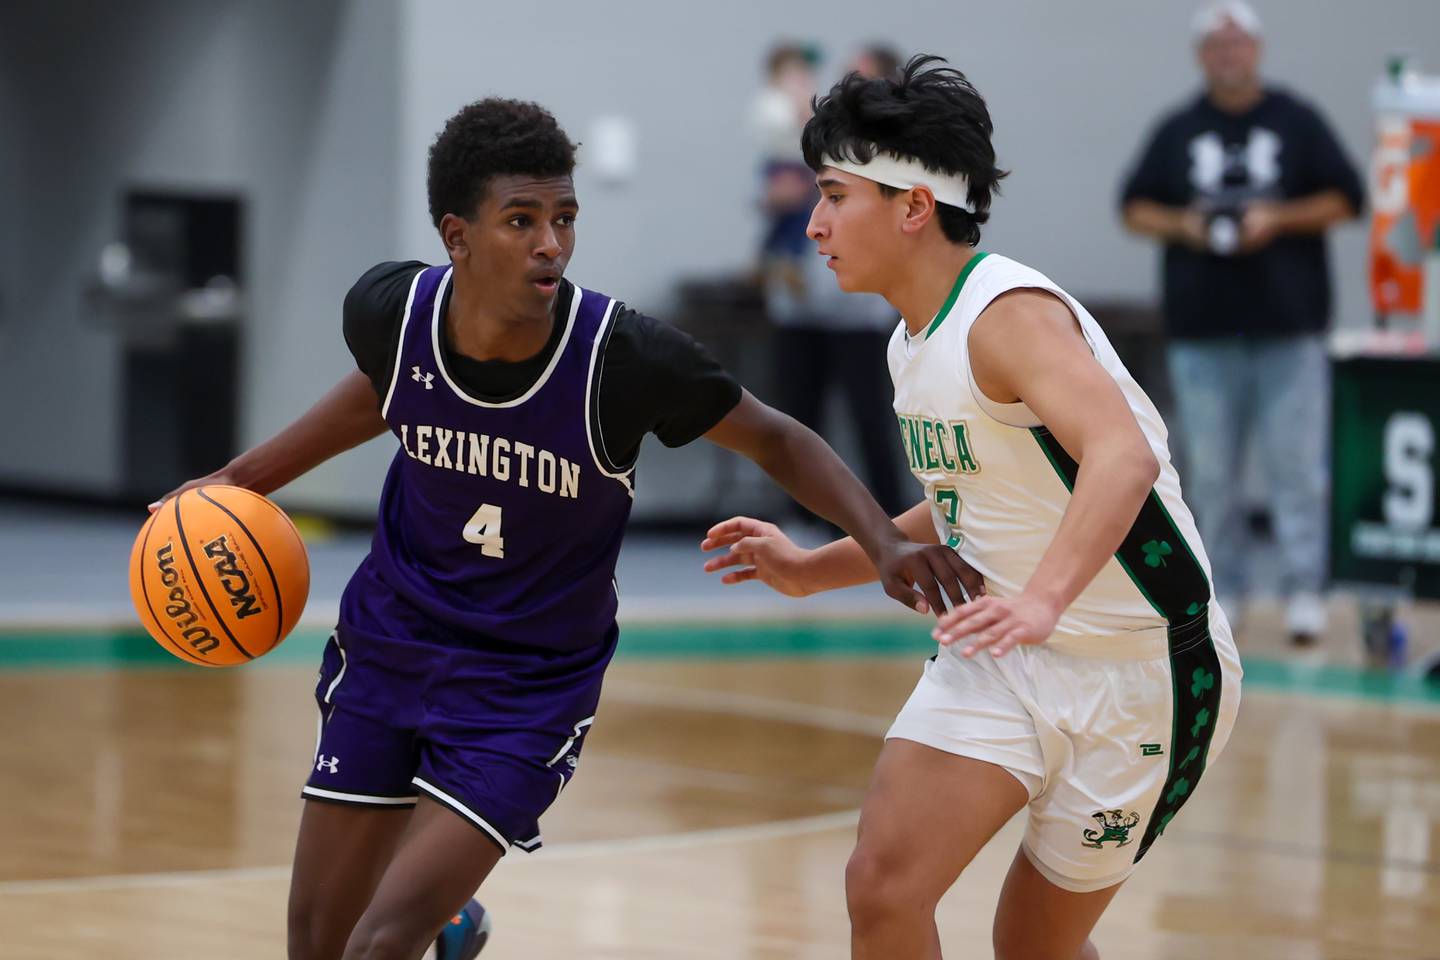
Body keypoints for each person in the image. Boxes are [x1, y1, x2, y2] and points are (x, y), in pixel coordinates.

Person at [153, 98, 980, 960]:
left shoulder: (622, 359)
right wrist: (238, 481)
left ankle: (432, 923)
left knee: (378, 945)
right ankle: (453, 927)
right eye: (521, 220)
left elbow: (775, 433)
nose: (551, 242)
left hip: (526, 682)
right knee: (319, 946)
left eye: (564, 218)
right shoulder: (390, 312)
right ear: (457, 235)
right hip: (391, 640)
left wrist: (884, 542)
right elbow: (386, 386)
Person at [702, 56, 1242, 960]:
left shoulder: (1009, 315)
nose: (814, 222)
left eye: (835, 195)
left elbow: (1123, 456)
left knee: (1033, 947)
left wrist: (1045, 598)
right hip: (1002, 655)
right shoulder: (912, 339)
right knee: (883, 887)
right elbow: (963, 503)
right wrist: (816, 568)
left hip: (1147, 672)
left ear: (913, 206)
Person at [1119, 0, 1363, 644]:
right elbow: (1135, 206)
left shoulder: (1298, 121)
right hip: (1203, 332)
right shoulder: (1177, 129)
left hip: (1290, 328)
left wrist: (1277, 219)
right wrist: (1187, 225)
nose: (1228, 54)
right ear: (1202, 56)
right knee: (1210, 472)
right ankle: (1221, 592)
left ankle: (1304, 591)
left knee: (1297, 467)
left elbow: (1347, 197)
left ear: (1256, 50)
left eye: (1238, 43)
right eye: (1216, 45)